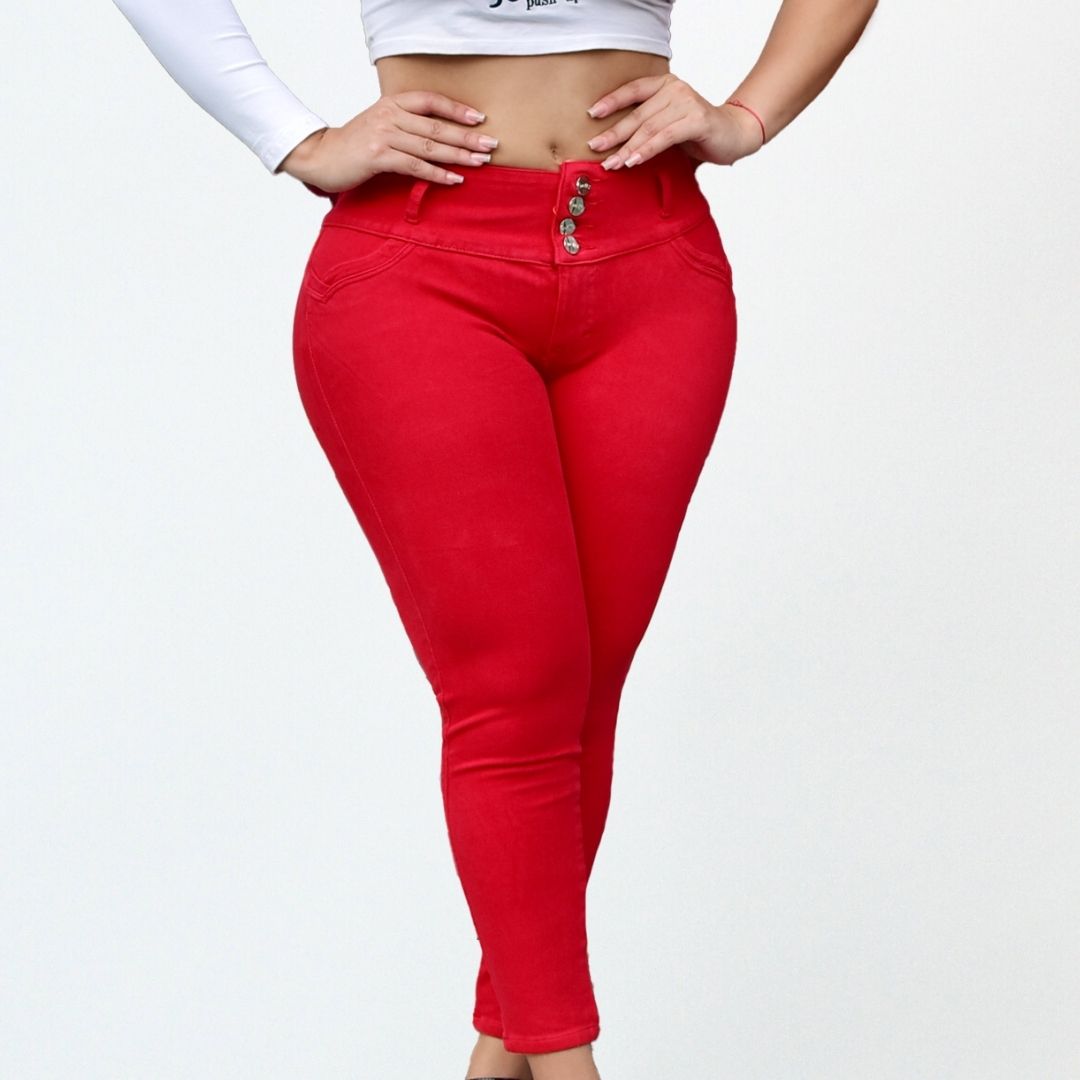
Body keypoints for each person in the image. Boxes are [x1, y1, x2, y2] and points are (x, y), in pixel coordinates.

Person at [110, 2, 879, 1077]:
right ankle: (569, 1063)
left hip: (653, 264)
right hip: (421, 268)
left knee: (582, 690)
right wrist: (292, 136)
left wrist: (749, 116)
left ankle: (500, 1057)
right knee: (517, 687)